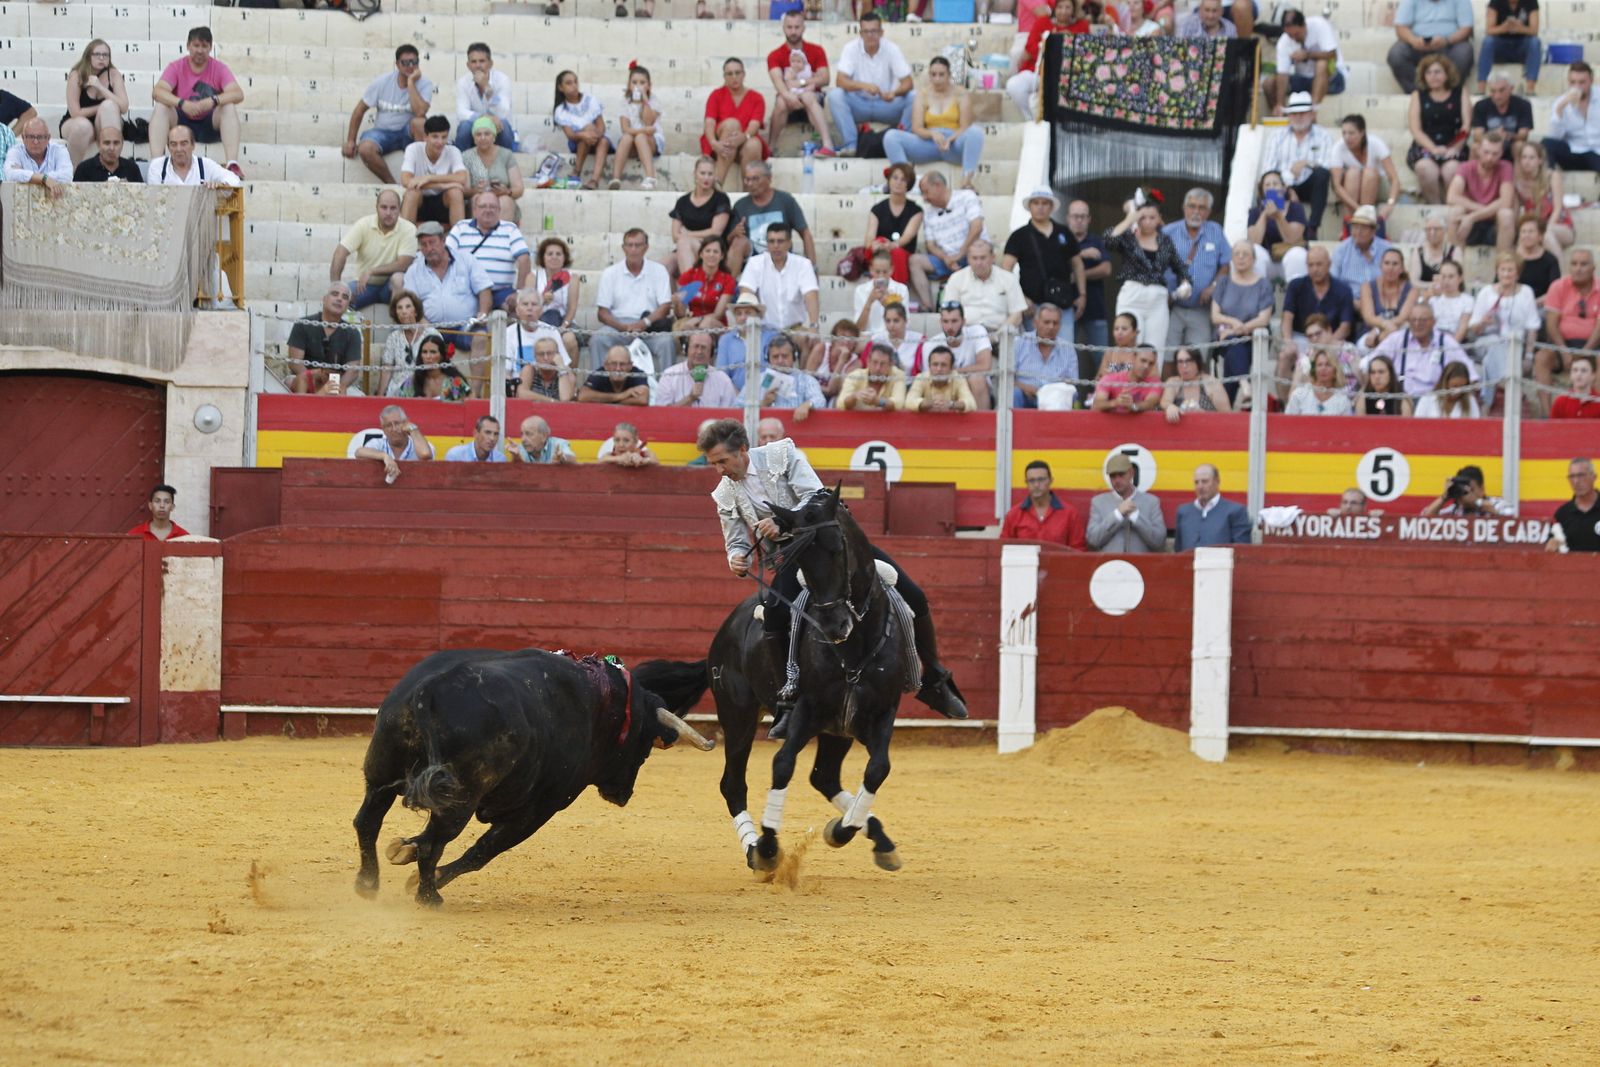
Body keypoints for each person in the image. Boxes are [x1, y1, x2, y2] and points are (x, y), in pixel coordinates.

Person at [698, 417, 968, 734]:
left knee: (915, 596)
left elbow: (818, 497)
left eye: (722, 461)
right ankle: (788, 701)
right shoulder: (725, 492)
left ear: (743, 450)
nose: (719, 470)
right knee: (774, 615)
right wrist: (736, 557)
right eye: (713, 463)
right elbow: (735, 539)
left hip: (833, 544)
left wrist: (782, 521)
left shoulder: (780, 455)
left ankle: (935, 680)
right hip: (791, 556)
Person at [150, 26, 243, 179]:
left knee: (228, 107)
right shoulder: (176, 66)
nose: (200, 50)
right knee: (161, 106)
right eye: (196, 45)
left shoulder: (219, 68)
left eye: (204, 46)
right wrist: (182, 103)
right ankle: (157, 164)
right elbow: (157, 92)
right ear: (188, 46)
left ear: (210, 47)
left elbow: (238, 94)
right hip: (181, 123)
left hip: (209, 123)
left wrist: (213, 100)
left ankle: (232, 164)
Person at [401, 221, 493, 370]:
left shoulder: (466, 260)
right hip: (430, 326)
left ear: (443, 241)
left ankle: (476, 386)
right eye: (424, 245)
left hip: (464, 326)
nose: (429, 248)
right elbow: (410, 303)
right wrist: (425, 325)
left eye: (432, 242)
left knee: (481, 337)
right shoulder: (414, 270)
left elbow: (484, 289)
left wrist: (482, 313)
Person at [886, 57, 985, 189]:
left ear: (949, 75)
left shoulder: (961, 94)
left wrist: (949, 139)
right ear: (929, 76)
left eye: (941, 75)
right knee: (891, 136)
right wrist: (932, 134)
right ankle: (904, 181)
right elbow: (916, 128)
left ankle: (967, 181)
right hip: (928, 143)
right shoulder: (922, 94)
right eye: (933, 75)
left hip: (953, 144)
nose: (937, 79)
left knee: (976, 132)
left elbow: (965, 126)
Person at [826, 12, 913, 157]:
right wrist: (863, 86)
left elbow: (908, 82)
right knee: (836, 95)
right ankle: (851, 145)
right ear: (860, 33)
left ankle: (903, 143)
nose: (870, 35)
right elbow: (840, 81)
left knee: (913, 97)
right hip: (860, 104)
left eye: (874, 31)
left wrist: (894, 93)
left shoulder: (892, 49)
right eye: (866, 31)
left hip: (886, 104)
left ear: (881, 32)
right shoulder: (851, 48)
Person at [1106, 195, 1188, 348]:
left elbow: (1179, 266)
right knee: (1128, 345)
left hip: (1157, 298)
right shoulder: (1129, 237)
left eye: (1152, 217)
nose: (1148, 222)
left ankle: (1153, 367)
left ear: (1159, 219)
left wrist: (1185, 282)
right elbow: (1108, 240)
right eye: (1143, 217)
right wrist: (1129, 219)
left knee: (1155, 348)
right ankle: (1120, 367)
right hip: (1132, 294)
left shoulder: (1165, 241)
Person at [344, 45, 433, 185]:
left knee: (420, 123)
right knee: (365, 148)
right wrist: (350, 140)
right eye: (405, 62)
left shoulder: (425, 83)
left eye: (414, 62)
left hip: (408, 133)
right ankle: (392, 185)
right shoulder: (382, 82)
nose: (410, 66)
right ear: (397, 64)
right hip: (383, 132)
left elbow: (420, 112)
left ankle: (420, 180)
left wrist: (411, 83)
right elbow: (359, 110)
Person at [591, 228, 675, 370]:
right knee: (598, 339)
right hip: (618, 326)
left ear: (646, 247)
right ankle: (596, 382)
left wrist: (644, 323)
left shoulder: (659, 270)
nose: (633, 250)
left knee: (666, 342)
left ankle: (668, 383)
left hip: (649, 326)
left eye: (638, 245)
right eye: (629, 245)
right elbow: (602, 313)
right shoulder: (610, 273)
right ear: (623, 248)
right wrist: (622, 327)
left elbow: (665, 307)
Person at [1003, 187, 1085, 332]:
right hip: (1033, 306)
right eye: (1036, 203)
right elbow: (1006, 270)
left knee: (1065, 345)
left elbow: (1078, 265)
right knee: (1034, 345)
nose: (1040, 207)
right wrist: (1021, 299)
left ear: (1051, 207)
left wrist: (1082, 295)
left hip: (1063, 304)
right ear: (1030, 206)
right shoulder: (1019, 236)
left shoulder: (1064, 232)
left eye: (1045, 203)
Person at [1467, 252, 1541, 407]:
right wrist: (1483, 322)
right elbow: (1474, 329)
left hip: (1515, 346)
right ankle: (1508, 388)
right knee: (1495, 343)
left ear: (1518, 273)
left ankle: (1487, 402)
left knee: (1491, 360)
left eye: (1510, 270)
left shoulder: (1526, 292)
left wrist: (1528, 357)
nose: (1506, 274)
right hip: (1486, 342)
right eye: (1503, 270)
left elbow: (1532, 327)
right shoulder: (1486, 292)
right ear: (1497, 271)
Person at [1162, 188, 1230, 355]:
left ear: (1209, 212)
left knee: (1197, 357)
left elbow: (1225, 265)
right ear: (1184, 207)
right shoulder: (1168, 232)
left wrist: (1213, 286)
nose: (1196, 212)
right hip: (1172, 308)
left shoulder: (1216, 231)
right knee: (1167, 355)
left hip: (1201, 309)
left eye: (1202, 208)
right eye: (1192, 206)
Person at [1260, 92, 1337, 236]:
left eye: (1303, 113)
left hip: (1310, 187)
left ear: (1312, 114)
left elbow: (1327, 164)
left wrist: (1306, 163)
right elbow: (1268, 169)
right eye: (1294, 113)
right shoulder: (1276, 136)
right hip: (1283, 184)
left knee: (1322, 174)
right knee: (1270, 183)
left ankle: (1312, 228)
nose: (1298, 117)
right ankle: (1273, 231)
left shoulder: (1324, 136)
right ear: (1289, 116)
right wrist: (1287, 183)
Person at [908, 171, 986, 311]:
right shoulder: (928, 212)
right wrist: (946, 258)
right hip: (947, 258)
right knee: (914, 261)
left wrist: (961, 253)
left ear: (938, 185)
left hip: (971, 253)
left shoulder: (966, 196)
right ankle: (928, 307)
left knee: (979, 252)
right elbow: (930, 245)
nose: (924, 198)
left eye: (926, 192)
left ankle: (978, 306)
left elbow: (977, 227)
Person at [332, 188, 418, 311]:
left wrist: (372, 271)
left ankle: (398, 323)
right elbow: (340, 253)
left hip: (390, 287)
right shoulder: (364, 224)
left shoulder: (409, 229)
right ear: (376, 207)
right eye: (384, 207)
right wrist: (335, 285)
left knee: (399, 279)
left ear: (400, 209)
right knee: (339, 297)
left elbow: (403, 264)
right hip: (364, 285)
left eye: (393, 208)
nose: (388, 213)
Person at [1538, 248, 1600, 415]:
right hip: (1562, 344)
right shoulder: (1558, 286)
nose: (1578, 269)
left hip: (1594, 346)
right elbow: (1551, 325)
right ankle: (1547, 416)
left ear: (1593, 268)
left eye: (1583, 264)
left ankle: (1596, 414)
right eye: (1574, 264)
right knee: (1542, 358)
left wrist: (1586, 352)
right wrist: (1564, 351)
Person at [447, 190, 530, 311]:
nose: (488, 210)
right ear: (475, 210)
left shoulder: (510, 229)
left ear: (499, 210)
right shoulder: (461, 227)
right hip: (466, 291)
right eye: (483, 206)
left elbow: (524, 259)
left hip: (501, 292)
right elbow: (445, 255)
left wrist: (520, 292)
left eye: (492, 207)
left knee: (517, 309)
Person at [1007, 0, 1090, 120]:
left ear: (1073, 10)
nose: (1063, 11)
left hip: (1068, 77)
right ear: (1054, 9)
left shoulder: (1081, 25)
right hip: (1039, 72)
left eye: (1067, 7)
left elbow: (1085, 53)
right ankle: (1032, 119)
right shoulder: (1043, 22)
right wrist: (1052, 41)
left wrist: (1068, 40)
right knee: (1013, 85)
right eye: (1060, 7)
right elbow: (1030, 49)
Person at [727, 161, 815, 275]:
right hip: (753, 259)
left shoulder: (785, 200)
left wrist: (812, 268)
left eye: (755, 179)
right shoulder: (741, 205)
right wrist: (734, 233)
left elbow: (805, 233)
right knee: (738, 242)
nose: (750, 183)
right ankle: (729, 284)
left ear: (769, 178)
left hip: (781, 252)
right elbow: (728, 241)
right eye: (747, 179)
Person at [1370, 302, 1474, 397]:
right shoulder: (1397, 339)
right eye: (1413, 320)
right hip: (1400, 398)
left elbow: (1471, 375)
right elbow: (1369, 363)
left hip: (1434, 400)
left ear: (1433, 322)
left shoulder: (1446, 342)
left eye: (1423, 320)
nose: (1417, 324)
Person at [1406, 54, 1471, 205]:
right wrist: (1433, 149)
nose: (1433, 76)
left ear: (1447, 74)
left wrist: (1455, 148)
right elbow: (1415, 129)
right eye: (1428, 73)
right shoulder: (1418, 95)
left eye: (1437, 72)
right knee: (1424, 168)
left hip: (1455, 145)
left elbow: (1466, 125)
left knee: (1452, 170)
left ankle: (1452, 206)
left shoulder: (1460, 92)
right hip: (1425, 147)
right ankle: (1434, 206)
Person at [766, 10, 834, 155]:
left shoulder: (816, 50)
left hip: (812, 99)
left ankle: (828, 145)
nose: (793, 32)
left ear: (803, 28)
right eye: (789, 27)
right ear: (784, 28)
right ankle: (771, 147)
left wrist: (800, 82)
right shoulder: (775, 55)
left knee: (807, 96)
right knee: (781, 101)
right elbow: (777, 80)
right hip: (788, 101)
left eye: (797, 27)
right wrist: (788, 95)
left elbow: (825, 78)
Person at [1212, 242, 1275, 388]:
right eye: (1237, 254)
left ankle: (1238, 391)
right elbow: (1215, 316)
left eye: (1245, 254)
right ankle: (1245, 384)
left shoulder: (1263, 285)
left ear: (1254, 259)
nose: (1240, 257)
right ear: (1232, 258)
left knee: (1234, 349)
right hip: (1225, 336)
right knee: (1233, 344)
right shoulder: (1223, 282)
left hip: (1253, 338)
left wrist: (1236, 330)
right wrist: (1234, 323)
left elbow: (1263, 319)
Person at [738, 222, 820, 333]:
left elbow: (811, 295)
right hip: (765, 331)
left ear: (789, 243)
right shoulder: (755, 263)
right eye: (771, 241)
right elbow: (746, 295)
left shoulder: (803, 264)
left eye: (780, 241)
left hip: (795, 330)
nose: (776, 246)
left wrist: (814, 325)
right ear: (767, 244)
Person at [61, 40, 129, 167]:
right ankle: (71, 171)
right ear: (88, 56)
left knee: (109, 106)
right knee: (83, 126)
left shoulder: (114, 74)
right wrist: (100, 107)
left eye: (105, 55)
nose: (101, 58)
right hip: (75, 122)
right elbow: (75, 112)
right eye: (97, 54)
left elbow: (124, 107)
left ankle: (112, 167)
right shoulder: (77, 75)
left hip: (105, 121)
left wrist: (100, 87)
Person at [701, 58, 767, 189]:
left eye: (737, 73)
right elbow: (709, 123)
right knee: (732, 124)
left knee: (754, 144)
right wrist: (714, 143)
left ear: (744, 74)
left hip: (744, 144)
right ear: (724, 77)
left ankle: (749, 191)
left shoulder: (756, 98)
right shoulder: (716, 95)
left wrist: (744, 137)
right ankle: (717, 184)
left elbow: (755, 124)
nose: (734, 77)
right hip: (721, 143)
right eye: (730, 74)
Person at [1389, 0, 1476, 97]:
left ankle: (1448, 93)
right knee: (1396, 53)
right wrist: (1413, 40)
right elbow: (1400, 27)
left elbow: (1466, 28)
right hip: (1417, 45)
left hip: (1449, 44)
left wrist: (1447, 40)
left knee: (1464, 51)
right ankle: (1419, 94)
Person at [1445, 131, 1515, 250]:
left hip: (1493, 224)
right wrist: (1484, 210)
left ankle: (1503, 260)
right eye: (1486, 152)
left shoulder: (1506, 167)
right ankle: (1455, 259)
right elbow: (1452, 197)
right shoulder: (1465, 167)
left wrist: (1473, 216)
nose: (1490, 158)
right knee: (1456, 211)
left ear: (1501, 153)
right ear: (1478, 151)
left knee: (1506, 215)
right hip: (1469, 226)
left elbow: (1506, 201)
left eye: (1495, 154)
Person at [1086, 453, 1167, 554]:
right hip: (1111, 563)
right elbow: (1093, 540)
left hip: (1141, 563)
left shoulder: (1151, 502)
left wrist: (1136, 517)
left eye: (1121, 475)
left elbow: (1159, 542)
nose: (1117, 480)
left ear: (1131, 473)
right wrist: (1117, 515)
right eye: (1113, 476)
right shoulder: (1098, 502)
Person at [942, 241, 1027, 337]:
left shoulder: (1008, 278)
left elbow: (1017, 314)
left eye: (983, 258)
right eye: (974, 258)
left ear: (993, 258)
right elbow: (949, 312)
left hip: (1001, 335)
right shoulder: (956, 278)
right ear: (968, 259)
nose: (978, 263)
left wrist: (998, 336)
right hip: (966, 335)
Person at [290, 283, 362, 395]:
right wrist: (313, 383)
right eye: (335, 294)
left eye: (344, 297)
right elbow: (295, 363)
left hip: (337, 384)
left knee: (356, 397)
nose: (339, 299)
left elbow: (353, 370)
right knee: (289, 382)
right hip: (304, 382)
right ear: (324, 299)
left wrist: (336, 387)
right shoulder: (303, 324)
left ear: (347, 305)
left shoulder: (352, 332)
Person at [1271, 9, 1346, 114]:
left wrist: (1308, 55)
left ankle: (1312, 111)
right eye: (1290, 35)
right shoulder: (1284, 42)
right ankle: (1282, 115)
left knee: (1321, 64)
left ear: (1304, 25)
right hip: (1303, 79)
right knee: (1269, 83)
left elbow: (1332, 55)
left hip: (1332, 79)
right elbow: (1282, 74)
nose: (1294, 38)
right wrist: (1280, 104)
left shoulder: (1319, 25)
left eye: (1297, 34)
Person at [399, 114, 468, 227]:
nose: (440, 142)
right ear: (425, 137)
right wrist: (442, 185)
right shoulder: (413, 149)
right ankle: (406, 235)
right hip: (420, 200)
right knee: (412, 193)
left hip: (442, 202)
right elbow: (406, 181)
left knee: (456, 192)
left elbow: (462, 177)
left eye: (444, 137)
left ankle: (458, 235)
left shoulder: (453, 151)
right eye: (435, 137)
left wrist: (429, 178)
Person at [669, 157, 733, 277]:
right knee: (662, 266)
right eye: (702, 173)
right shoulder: (683, 201)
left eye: (710, 174)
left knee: (683, 242)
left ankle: (691, 287)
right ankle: (683, 287)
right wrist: (686, 238)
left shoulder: (721, 199)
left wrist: (687, 234)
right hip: (685, 247)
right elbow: (675, 236)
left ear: (715, 176)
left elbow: (715, 232)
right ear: (695, 174)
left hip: (711, 248)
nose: (706, 178)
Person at [1001, 460, 1087, 549]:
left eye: (1041, 480)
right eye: (1031, 480)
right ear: (1026, 483)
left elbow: (1078, 549)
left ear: (1050, 481)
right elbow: (1003, 548)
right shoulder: (1014, 515)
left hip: (1057, 559)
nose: (1036, 485)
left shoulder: (1070, 514)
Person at [1331, 115, 1401, 222]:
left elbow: (1394, 178)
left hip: (1375, 184)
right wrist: (1358, 209)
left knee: (1369, 173)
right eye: (1344, 133)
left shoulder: (1376, 143)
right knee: (1352, 173)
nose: (1347, 137)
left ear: (1362, 133)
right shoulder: (1338, 147)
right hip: (1350, 191)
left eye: (1351, 133)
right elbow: (1337, 186)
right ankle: (1353, 221)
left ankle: (1364, 221)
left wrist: (1390, 204)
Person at [928, 301, 994, 410]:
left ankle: (982, 420)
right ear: (940, 322)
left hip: (972, 387)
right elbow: (930, 377)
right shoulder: (931, 344)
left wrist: (954, 372)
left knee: (977, 379)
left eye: (954, 321)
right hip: (946, 387)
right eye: (946, 321)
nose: (950, 327)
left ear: (963, 321)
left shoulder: (977, 332)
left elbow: (985, 366)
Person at [864, 162, 922, 285]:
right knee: (877, 244)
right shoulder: (877, 209)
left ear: (909, 184)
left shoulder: (916, 211)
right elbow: (869, 239)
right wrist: (878, 245)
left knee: (897, 253)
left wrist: (892, 245)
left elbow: (907, 237)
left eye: (903, 180)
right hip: (880, 251)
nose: (898, 182)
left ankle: (898, 291)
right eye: (895, 178)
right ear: (889, 181)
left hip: (902, 252)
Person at [1511, 142, 1574, 255]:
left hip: (1560, 225)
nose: (1527, 161)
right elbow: (1516, 213)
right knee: (1522, 243)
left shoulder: (1552, 176)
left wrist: (1543, 230)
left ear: (1540, 160)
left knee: (1546, 236)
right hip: (1533, 228)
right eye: (1524, 157)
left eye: (1531, 158)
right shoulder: (1517, 183)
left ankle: (1559, 267)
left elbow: (1558, 208)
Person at [552, 70, 610, 191]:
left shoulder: (590, 99)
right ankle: (577, 171)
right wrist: (584, 134)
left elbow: (601, 126)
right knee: (585, 135)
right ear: (560, 88)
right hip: (577, 142)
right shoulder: (561, 110)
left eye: (575, 82)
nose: (574, 85)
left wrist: (594, 135)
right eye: (569, 83)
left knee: (603, 141)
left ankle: (594, 180)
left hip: (598, 139)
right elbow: (570, 135)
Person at [1248, 171, 1309, 284]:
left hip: (1290, 259)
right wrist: (1264, 215)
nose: (1271, 187)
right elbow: (1254, 241)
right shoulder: (1255, 212)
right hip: (1268, 262)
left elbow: (1291, 239)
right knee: (1255, 251)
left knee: (1297, 254)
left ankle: (1295, 293)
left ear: (1283, 188)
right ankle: (1259, 293)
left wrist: (1278, 216)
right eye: (1267, 185)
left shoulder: (1296, 208)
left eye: (1275, 184)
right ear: (1262, 191)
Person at [453, 42, 515, 152]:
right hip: (475, 130)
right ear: (468, 65)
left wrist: (486, 87)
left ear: (490, 63)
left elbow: (503, 112)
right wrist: (484, 117)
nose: (478, 65)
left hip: (497, 129)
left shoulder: (502, 80)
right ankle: (462, 162)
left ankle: (505, 161)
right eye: (473, 62)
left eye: (482, 61)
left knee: (504, 124)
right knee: (464, 127)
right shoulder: (463, 82)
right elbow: (461, 112)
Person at [1013, 304, 1077, 409]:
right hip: (1026, 396)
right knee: (1015, 394)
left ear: (1060, 325)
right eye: (1046, 322)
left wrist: (1052, 391)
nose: (1051, 327)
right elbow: (1006, 378)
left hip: (1055, 399)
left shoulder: (1068, 348)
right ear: (1035, 323)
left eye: (1055, 323)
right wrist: (1025, 387)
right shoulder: (1020, 342)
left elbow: (1072, 383)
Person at [1174, 465, 1252, 551]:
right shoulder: (1184, 512)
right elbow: (1178, 550)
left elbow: (1242, 551)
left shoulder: (1235, 511)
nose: (1200, 486)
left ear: (1217, 482)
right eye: (1196, 482)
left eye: (1205, 481)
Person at [462, 117, 525, 222]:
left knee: (505, 201)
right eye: (478, 134)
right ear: (474, 138)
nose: (483, 138)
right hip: (478, 197)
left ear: (494, 137)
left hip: (503, 198)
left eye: (487, 134)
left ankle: (501, 232)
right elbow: (465, 190)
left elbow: (519, 188)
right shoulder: (466, 156)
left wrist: (507, 191)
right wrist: (476, 190)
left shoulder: (506, 155)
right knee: (478, 200)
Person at [379, 289, 439, 398]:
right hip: (397, 392)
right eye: (399, 308)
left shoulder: (431, 334)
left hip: (424, 390)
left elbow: (441, 367)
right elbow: (386, 371)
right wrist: (380, 397)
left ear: (416, 311)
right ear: (396, 313)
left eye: (408, 307)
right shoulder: (393, 337)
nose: (404, 311)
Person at [612, 63, 663, 190]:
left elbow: (648, 122)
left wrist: (645, 100)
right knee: (627, 137)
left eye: (642, 82)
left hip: (650, 142)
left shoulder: (654, 100)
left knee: (640, 136)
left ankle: (651, 177)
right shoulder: (625, 101)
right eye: (634, 82)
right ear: (629, 85)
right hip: (632, 142)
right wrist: (643, 130)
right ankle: (615, 178)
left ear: (649, 85)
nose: (638, 86)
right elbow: (625, 128)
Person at [1356, 247, 1418, 351]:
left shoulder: (1412, 290)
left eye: (1395, 264)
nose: (1390, 268)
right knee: (1367, 344)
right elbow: (1369, 317)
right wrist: (1382, 327)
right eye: (1387, 263)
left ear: (1402, 268)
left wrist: (1378, 332)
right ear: (1381, 266)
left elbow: (1402, 318)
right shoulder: (1367, 287)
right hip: (1369, 334)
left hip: (1397, 332)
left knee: (1396, 332)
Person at [655, 331, 740, 407]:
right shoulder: (669, 376)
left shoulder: (723, 380)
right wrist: (690, 398)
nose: (699, 352)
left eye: (703, 348)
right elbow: (662, 414)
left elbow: (729, 415)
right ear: (686, 349)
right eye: (696, 347)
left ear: (711, 353)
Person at [1542, 62, 1600, 172]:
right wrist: (1560, 109)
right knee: (1546, 143)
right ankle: (1551, 177)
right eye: (1573, 82)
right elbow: (1554, 137)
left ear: (1591, 81)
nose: (1577, 86)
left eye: (1582, 82)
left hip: (1597, 151)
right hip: (1574, 150)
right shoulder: (1561, 102)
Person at [146, 124, 240, 189]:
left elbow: (234, 180)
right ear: (168, 147)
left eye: (184, 143)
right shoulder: (157, 166)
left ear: (193, 145)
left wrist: (220, 186)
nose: (178, 149)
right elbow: (154, 198)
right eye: (173, 144)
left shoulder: (205, 164)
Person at [674, 237, 737, 332]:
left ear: (722, 256)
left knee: (706, 323)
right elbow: (680, 314)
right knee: (683, 326)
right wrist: (677, 303)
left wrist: (699, 319)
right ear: (701, 254)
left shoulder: (728, 280)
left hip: (716, 325)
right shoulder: (688, 276)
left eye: (715, 252)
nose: (711, 254)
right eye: (708, 251)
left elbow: (718, 314)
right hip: (691, 323)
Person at [354, 405, 435, 478]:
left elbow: (425, 454)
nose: (394, 429)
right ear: (383, 429)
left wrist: (413, 429)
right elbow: (359, 452)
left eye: (397, 423)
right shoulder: (378, 443)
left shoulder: (419, 444)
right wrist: (385, 456)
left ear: (406, 423)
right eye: (388, 425)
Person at [718, 292, 778, 392]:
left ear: (758, 315)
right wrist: (738, 396)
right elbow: (722, 375)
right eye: (739, 314)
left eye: (748, 313)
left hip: (767, 394)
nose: (743, 318)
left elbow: (776, 369)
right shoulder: (726, 340)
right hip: (734, 395)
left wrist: (763, 395)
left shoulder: (771, 336)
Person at [1479, 0, 1541, 95]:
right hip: (1501, 46)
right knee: (1488, 42)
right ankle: (1481, 88)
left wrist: (1520, 28)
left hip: (1522, 46)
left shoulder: (1531, 2)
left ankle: (1530, 89)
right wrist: (1504, 27)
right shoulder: (1495, 2)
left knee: (1535, 42)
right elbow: (1489, 30)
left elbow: (1534, 31)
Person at [759, 334, 825, 414]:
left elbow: (820, 400)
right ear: (768, 359)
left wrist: (808, 405)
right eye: (775, 357)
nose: (780, 361)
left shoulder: (806, 380)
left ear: (794, 357)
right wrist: (763, 403)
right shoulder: (758, 380)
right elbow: (744, 406)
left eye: (785, 356)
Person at [3, 118, 72, 194]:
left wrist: (28, 177)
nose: (35, 142)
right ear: (23, 138)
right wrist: (44, 179)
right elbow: (10, 175)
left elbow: (66, 176)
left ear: (48, 138)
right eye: (31, 137)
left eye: (40, 137)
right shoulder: (15, 151)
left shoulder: (59, 150)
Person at [1332, 206, 1393, 290]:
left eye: (1364, 228)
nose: (1358, 232)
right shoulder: (1341, 250)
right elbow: (1333, 280)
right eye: (1355, 227)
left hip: (1379, 296)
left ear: (1373, 231)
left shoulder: (1387, 249)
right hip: (1350, 296)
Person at [853, 248, 913, 335]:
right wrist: (869, 302)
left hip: (891, 337)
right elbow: (858, 329)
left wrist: (889, 304)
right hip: (868, 338)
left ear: (891, 270)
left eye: (885, 272)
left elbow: (905, 325)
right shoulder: (860, 290)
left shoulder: (902, 289)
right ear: (871, 270)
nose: (881, 276)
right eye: (877, 272)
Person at [1545, 458, 1600, 552]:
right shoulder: (1562, 514)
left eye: (1581, 475)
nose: (1576, 481)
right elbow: (1552, 547)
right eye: (1572, 476)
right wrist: (1552, 546)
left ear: (1594, 477)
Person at [1162, 347, 1232, 421]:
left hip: (1208, 425)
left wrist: (1204, 415)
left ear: (1197, 362)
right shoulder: (1173, 382)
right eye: (1180, 362)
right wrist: (1169, 406)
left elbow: (1227, 415)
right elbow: (1165, 401)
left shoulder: (1211, 383)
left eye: (1188, 361)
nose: (1184, 366)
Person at [1421, 464, 1515, 516]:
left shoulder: (1498, 504)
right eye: (1464, 490)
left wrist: (1477, 502)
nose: (1467, 494)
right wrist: (1444, 497)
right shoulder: (1455, 510)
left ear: (1482, 489)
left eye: (1471, 490)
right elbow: (1424, 520)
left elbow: (1511, 518)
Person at [1472, 71, 1535, 148]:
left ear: (1511, 89)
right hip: (1489, 144)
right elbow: (1477, 136)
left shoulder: (1523, 105)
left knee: (1519, 145)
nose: (1497, 96)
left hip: (1512, 143)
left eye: (1501, 90)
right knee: (1475, 147)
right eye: (1493, 91)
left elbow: (1523, 136)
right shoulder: (1481, 105)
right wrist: (1494, 136)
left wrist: (1508, 136)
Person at [907, 345, 978, 413]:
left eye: (943, 365)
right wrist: (930, 403)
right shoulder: (921, 378)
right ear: (929, 367)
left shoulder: (958, 378)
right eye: (935, 364)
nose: (939, 369)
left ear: (951, 368)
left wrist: (951, 404)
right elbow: (909, 401)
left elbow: (971, 404)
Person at [808, 318, 864, 405]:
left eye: (851, 338)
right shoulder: (821, 349)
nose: (846, 342)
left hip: (833, 402)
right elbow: (807, 380)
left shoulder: (856, 364)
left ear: (854, 344)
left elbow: (833, 390)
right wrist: (823, 390)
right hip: (811, 395)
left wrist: (841, 362)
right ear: (834, 338)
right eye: (842, 336)